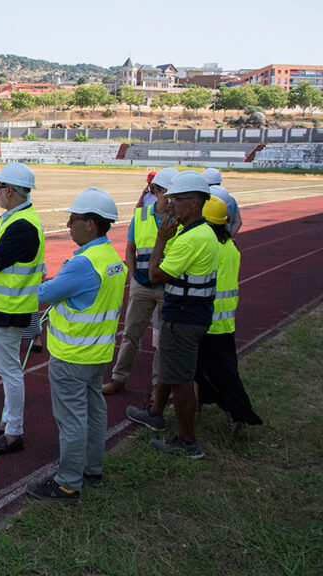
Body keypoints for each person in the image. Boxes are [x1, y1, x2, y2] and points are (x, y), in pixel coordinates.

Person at [26, 188, 127, 502]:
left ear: (91, 224)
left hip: (72, 355)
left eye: (73, 219)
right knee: (94, 411)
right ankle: (92, 470)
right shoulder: (111, 258)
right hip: (98, 352)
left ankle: (68, 484)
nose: (68, 225)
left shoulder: (83, 264)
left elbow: (44, 294)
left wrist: (40, 281)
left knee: (71, 419)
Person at [126, 171, 220, 459]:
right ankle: (155, 412)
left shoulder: (190, 238)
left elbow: (155, 274)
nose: (170, 204)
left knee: (180, 381)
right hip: (190, 312)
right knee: (171, 369)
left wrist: (160, 239)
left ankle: (188, 442)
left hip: (183, 316)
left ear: (193, 202)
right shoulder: (202, 232)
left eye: (176, 200)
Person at [0, 162, 45, 456]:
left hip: (8, 309)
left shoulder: (22, 227)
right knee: (7, 370)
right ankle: (6, 423)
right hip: (2, 308)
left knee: (10, 371)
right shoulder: (12, 218)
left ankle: (13, 432)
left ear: (10, 190)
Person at [102, 168, 176, 395]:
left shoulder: (180, 220)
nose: (170, 200)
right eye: (166, 194)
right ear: (155, 191)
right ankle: (119, 378)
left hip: (168, 286)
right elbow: (130, 248)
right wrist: (133, 275)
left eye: (174, 195)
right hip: (142, 284)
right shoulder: (141, 216)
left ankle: (157, 386)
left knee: (163, 340)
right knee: (130, 334)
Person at [194, 196, 262, 435]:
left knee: (205, 371)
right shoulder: (230, 247)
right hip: (225, 319)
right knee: (222, 369)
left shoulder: (207, 247)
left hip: (206, 318)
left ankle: (235, 411)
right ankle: (226, 408)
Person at [204, 168, 242, 236]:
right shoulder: (231, 199)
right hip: (225, 237)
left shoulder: (204, 200)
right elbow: (238, 221)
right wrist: (230, 236)